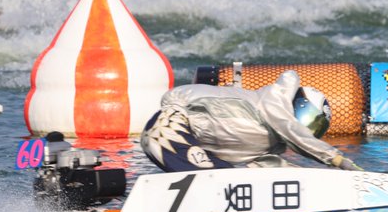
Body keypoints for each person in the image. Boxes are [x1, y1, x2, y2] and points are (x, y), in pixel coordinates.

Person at [141, 69, 362, 173]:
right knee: (216, 183)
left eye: (316, 126)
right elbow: (290, 127)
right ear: (297, 104)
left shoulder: (265, 144)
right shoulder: (274, 100)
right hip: (168, 128)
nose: (308, 128)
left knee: (232, 182)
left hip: (185, 141)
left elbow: (276, 174)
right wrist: (336, 159)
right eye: (309, 118)